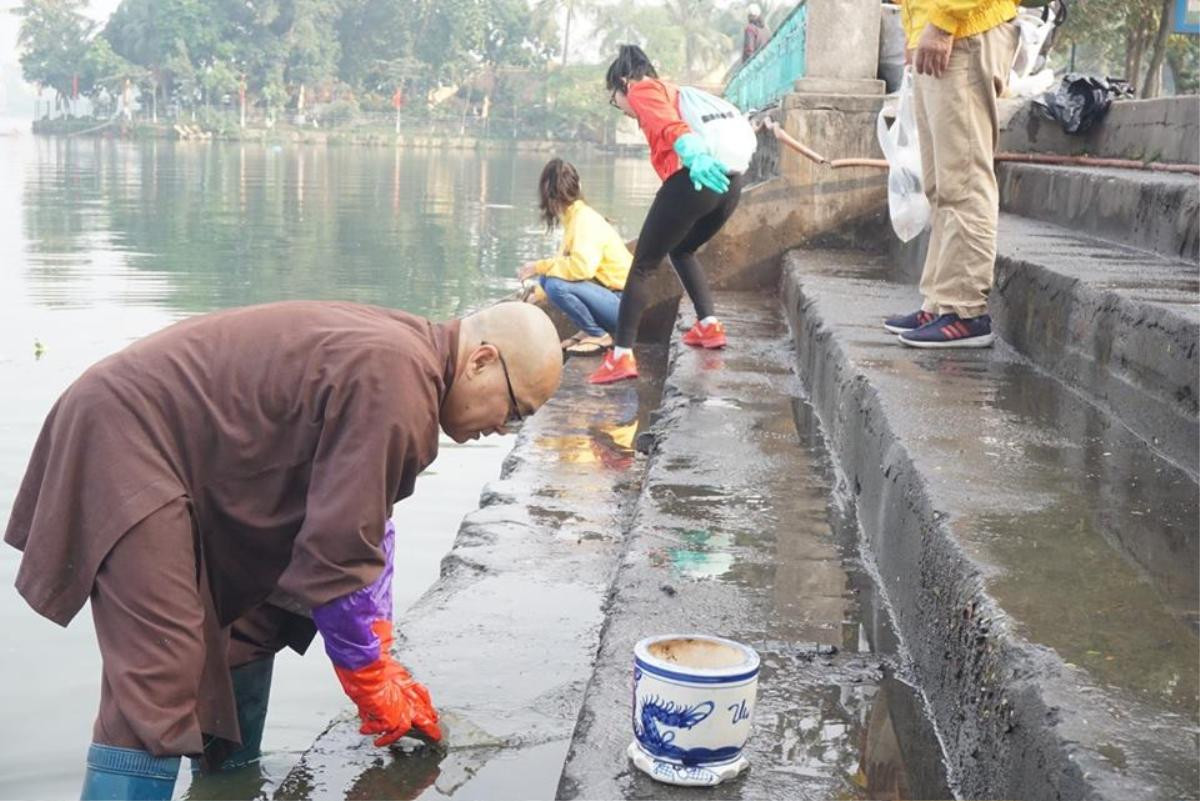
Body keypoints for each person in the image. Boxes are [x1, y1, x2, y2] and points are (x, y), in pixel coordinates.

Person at [3, 300, 562, 800]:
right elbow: (339, 551)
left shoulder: (407, 369)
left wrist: (380, 652)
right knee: (159, 677)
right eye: (514, 411)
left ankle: (227, 787)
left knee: (255, 620)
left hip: (187, 460)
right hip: (126, 437)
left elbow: (367, 531)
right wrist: (367, 678)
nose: (502, 428)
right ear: (482, 360)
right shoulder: (400, 380)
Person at [590, 44, 744, 385]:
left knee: (643, 265)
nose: (621, 108)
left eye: (614, 99)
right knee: (681, 248)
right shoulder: (678, 92)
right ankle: (708, 325)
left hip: (697, 176)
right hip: (730, 183)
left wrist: (693, 153)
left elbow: (668, 124)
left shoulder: (642, 89)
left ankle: (621, 357)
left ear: (623, 82)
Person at [883, 0, 1019, 348]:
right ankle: (940, 302)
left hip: (966, 29)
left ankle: (965, 313)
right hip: (944, 28)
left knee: (964, 180)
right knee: (940, 184)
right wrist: (916, 29)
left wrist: (942, 22)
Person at [518, 158, 632, 356]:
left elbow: (582, 269)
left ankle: (598, 334)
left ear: (548, 196)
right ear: (578, 186)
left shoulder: (584, 220)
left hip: (625, 305)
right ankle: (587, 331)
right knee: (548, 279)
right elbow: (561, 265)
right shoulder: (574, 218)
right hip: (613, 298)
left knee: (554, 284)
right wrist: (538, 292)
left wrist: (538, 267)